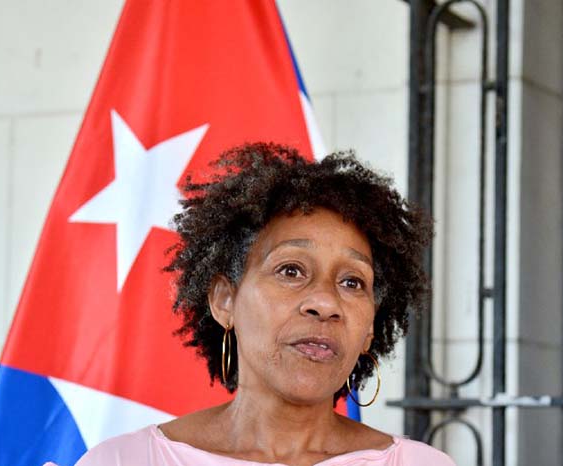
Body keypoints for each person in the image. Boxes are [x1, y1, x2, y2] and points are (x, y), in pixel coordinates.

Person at [55, 143, 455, 466]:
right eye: (291, 270)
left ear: (370, 329)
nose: (325, 303)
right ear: (224, 300)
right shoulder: (126, 461)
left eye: (352, 282)